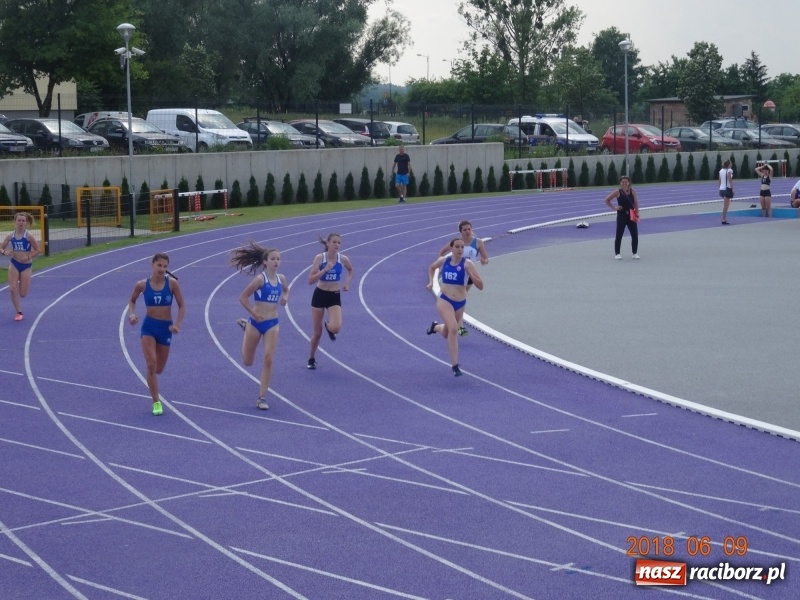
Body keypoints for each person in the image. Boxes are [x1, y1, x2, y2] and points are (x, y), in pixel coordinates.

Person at [231, 242, 289, 410]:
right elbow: (243, 298)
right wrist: (253, 314)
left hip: (272, 323)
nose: (276, 262)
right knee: (248, 362)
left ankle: (262, 397)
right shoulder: (259, 279)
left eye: (278, 259)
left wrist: (285, 297)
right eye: (273, 259)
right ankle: (245, 327)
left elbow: (286, 289)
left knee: (269, 359)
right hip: (256, 323)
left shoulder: (281, 279)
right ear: (265, 261)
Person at [127, 253, 185, 416]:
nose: (162, 269)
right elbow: (132, 300)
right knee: (151, 364)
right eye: (159, 265)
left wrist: (177, 325)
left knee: (159, 369)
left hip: (165, 329)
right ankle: (156, 402)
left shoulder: (172, 284)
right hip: (149, 327)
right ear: (152, 265)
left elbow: (182, 306)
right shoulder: (142, 285)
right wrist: (132, 314)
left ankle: (153, 385)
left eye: (165, 266)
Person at [426, 237, 484, 377]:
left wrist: (473, 278)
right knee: (454, 328)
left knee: (447, 332)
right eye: (457, 247)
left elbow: (481, 286)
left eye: (462, 247)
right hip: (444, 300)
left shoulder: (467, 264)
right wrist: (430, 283)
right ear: (451, 248)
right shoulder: (444, 261)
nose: (460, 249)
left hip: (460, 302)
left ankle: (435, 327)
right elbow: (432, 267)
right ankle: (455, 365)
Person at [307, 233, 353, 370]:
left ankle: (329, 326)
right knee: (317, 333)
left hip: (334, 295)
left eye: (339, 243)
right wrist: (324, 270)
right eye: (334, 242)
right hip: (320, 295)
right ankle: (311, 358)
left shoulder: (343, 259)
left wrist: (347, 283)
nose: (337, 245)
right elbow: (310, 280)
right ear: (328, 243)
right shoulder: (320, 258)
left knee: (336, 328)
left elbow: (351, 270)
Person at [437, 220, 489, 336]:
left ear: (472, 230)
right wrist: (443, 266)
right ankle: (458, 326)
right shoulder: (456, 243)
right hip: (455, 276)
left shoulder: (478, 242)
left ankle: (451, 326)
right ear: (460, 232)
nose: (467, 232)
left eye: (469, 229)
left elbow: (485, 258)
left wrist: (484, 261)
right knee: (459, 301)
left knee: (460, 301)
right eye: (464, 230)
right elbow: (442, 252)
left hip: (468, 277)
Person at [1, 212, 40, 321]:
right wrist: (4, 252)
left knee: (23, 294)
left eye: (23, 221)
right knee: (13, 288)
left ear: (26, 223)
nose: (21, 222)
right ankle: (19, 312)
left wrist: (28, 257)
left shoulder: (28, 236)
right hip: (14, 263)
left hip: (26, 266)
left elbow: (37, 250)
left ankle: (21, 279)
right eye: (19, 220)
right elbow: (1, 248)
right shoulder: (10, 236)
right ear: (15, 222)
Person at [604, 175, 640, 260]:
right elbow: (607, 200)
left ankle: (634, 253)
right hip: (621, 215)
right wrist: (614, 208)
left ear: (629, 182)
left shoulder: (633, 191)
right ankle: (617, 253)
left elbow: (636, 203)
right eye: (622, 182)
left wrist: (637, 213)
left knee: (634, 234)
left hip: (631, 215)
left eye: (626, 181)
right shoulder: (617, 192)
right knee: (619, 234)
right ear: (620, 183)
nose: (624, 183)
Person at [718, 159, 734, 225]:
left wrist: (720, 187)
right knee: (726, 206)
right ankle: (724, 219)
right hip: (727, 188)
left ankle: (724, 218)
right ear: (729, 164)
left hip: (721, 189)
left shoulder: (721, 170)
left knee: (726, 204)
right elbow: (729, 179)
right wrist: (732, 188)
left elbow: (719, 180)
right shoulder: (729, 170)